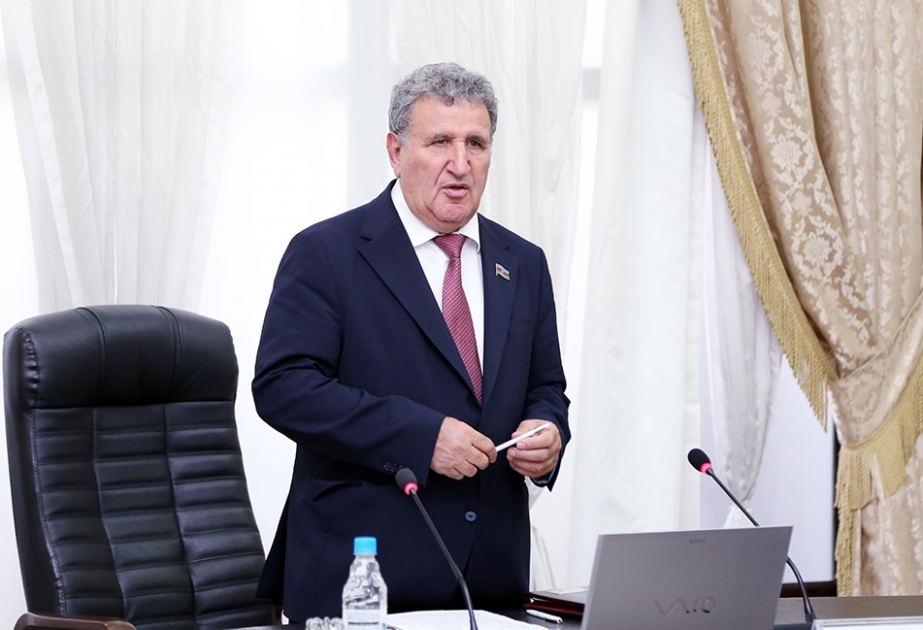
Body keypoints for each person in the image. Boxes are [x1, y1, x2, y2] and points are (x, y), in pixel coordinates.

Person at [253, 61, 570, 621]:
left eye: (476, 143)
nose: (460, 164)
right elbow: (284, 388)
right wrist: (422, 438)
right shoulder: (326, 252)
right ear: (396, 151)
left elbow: (546, 388)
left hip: (491, 583)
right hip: (364, 580)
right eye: (440, 142)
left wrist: (546, 435)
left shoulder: (523, 262)